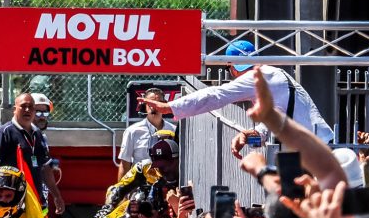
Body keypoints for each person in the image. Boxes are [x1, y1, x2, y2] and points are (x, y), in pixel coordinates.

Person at [141, 42, 335, 156]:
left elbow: (216, 95)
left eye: (228, 69)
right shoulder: (273, 75)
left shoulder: (255, 78)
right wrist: (251, 135)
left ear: (233, 67)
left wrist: (170, 107)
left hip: (314, 153)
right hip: (320, 148)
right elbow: (276, 117)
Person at [0, 91, 64, 217]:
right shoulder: (4, 133)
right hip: (11, 205)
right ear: (15, 109)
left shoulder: (38, 135)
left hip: (36, 202)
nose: (27, 110)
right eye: (23, 106)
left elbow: (45, 167)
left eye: (31, 107)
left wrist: (57, 196)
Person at [117, 90, 177, 174]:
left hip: (168, 179)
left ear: (164, 105)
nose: (154, 106)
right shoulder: (132, 131)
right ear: (144, 106)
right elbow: (125, 164)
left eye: (158, 102)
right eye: (150, 103)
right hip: (141, 180)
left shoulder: (174, 130)